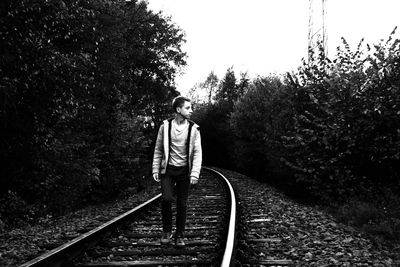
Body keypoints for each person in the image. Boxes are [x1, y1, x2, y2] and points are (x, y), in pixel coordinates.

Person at [152, 96, 202, 247]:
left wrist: (194, 173)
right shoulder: (165, 127)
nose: (191, 110)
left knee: (182, 203)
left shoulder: (194, 129)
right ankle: (167, 231)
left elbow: (198, 152)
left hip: (184, 172)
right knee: (166, 199)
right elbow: (158, 149)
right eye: (188, 108)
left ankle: (179, 235)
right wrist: (155, 168)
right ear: (178, 110)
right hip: (168, 170)